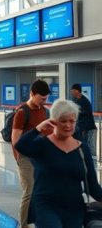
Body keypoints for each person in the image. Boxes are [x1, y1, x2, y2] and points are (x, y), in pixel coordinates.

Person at [15, 99, 102, 227]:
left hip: (74, 208)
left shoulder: (82, 149)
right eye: (63, 121)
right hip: (45, 206)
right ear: (53, 121)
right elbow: (21, 146)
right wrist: (38, 128)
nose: (68, 125)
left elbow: (93, 185)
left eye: (72, 121)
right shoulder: (42, 144)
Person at [11, 79, 50, 228]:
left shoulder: (44, 111)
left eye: (46, 99)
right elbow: (16, 141)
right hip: (25, 158)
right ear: (32, 94)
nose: (44, 102)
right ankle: (23, 225)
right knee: (29, 191)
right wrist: (20, 161)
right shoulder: (22, 112)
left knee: (39, 190)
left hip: (40, 157)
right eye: (41, 98)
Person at [70, 83, 96, 153]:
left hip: (87, 128)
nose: (71, 92)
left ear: (77, 91)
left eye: (72, 90)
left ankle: (92, 162)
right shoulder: (76, 100)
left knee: (87, 146)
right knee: (81, 145)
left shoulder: (84, 101)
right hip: (80, 127)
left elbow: (85, 115)